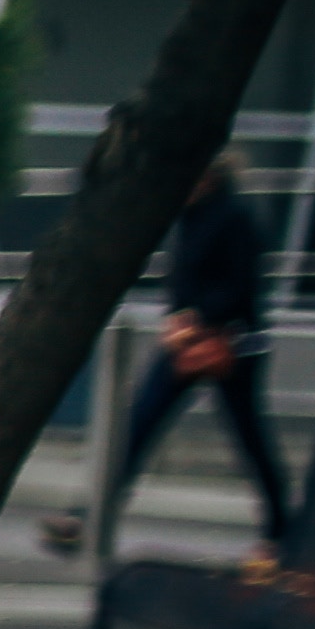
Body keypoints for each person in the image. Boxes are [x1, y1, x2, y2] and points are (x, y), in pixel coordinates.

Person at [47, 150, 295, 553]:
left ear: (209, 178)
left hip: (228, 344)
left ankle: (281, 527)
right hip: (189, 342)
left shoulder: (234, 217)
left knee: (248, 436)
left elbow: (241, 286)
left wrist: (196, 315)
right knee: (138, 425)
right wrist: (181, 318)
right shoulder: (191, 217)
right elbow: (183, 280)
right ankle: (85, 515)